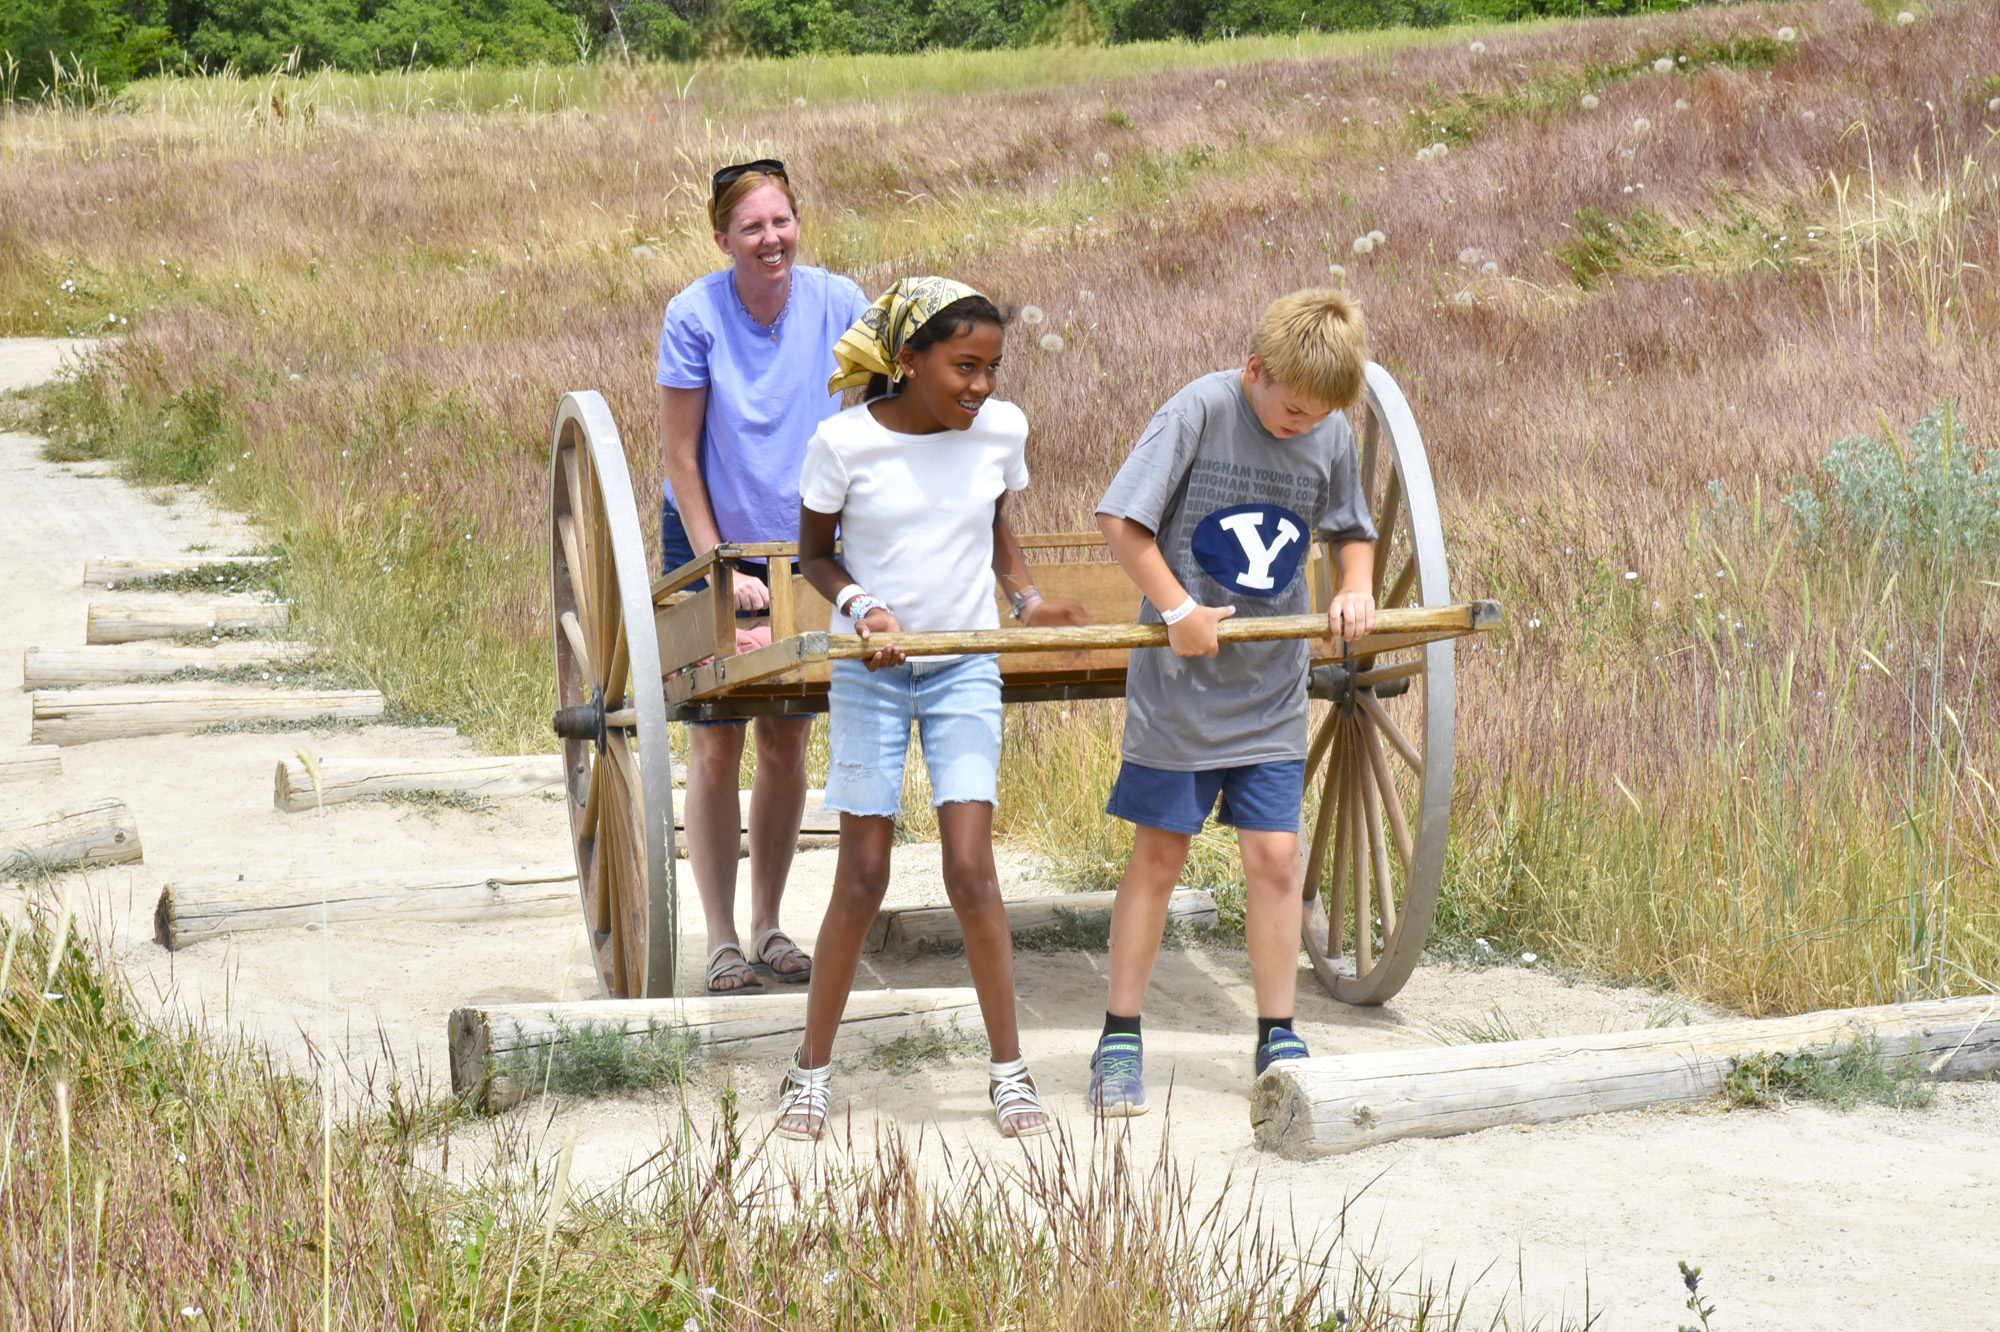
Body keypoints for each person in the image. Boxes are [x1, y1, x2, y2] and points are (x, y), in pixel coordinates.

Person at [772, 278, 1088, 1142]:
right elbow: (813, 556)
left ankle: (1009, 1072)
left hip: (962, 667)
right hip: (873, 673)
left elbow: (994, 524)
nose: (980, 386)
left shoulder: (1001, 431)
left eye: (990, 367)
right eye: (963, 367)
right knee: (863, 874)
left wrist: (1025, 601)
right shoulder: (843, 444)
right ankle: (810, 1070)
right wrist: (864, 610)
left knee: (970, 868)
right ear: (908, 361)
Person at [1086, 288, 1378, 1116]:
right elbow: (1120, 519)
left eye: (1316, 416)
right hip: (1181, 693)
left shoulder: (1328, 430)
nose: (1301, 425)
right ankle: (1118, 1035)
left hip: (1270, 689)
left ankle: (1278, 1031)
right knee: (1160, 857)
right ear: (1255, 371)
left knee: (1276, 859)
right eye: (1289, 410)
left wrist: (1355, 589)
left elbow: (1351, 530)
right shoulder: (1200, 411)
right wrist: (1176, 611)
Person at [656, 159, 872, 994]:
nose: (771, 239)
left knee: (786, 739)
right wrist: (720, 568)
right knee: (717, 741)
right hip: (715, 534)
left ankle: (768, 924)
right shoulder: (695, 314)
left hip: (806, 541)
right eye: (751, 228)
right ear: (723, 239)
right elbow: (680, 454)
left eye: (780, 221)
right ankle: (717, 939)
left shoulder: (841, 301)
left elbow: (881, 415)